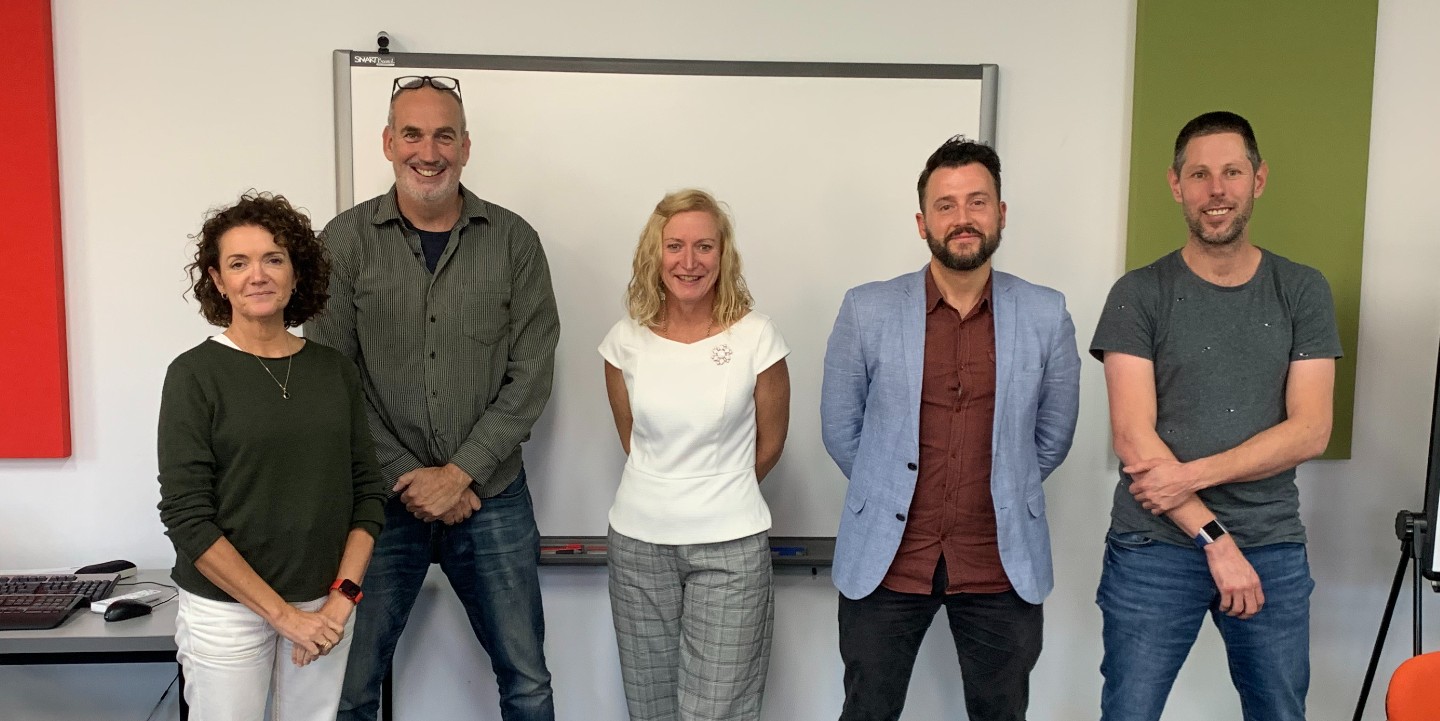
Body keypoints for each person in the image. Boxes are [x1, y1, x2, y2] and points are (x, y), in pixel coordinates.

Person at [308, 75, 561, 721]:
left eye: (444, 134)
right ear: (389, 143)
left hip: (492, 495)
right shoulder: (344, 242)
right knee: (350, 686)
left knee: (527, 682)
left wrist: (459, 473)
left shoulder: (514, 241)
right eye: (413, 134)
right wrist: (411, 478)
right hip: (380, 504)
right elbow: (335, 376)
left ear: (466, 145)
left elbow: (531, 373)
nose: (430, 150)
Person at [1089, 111, 1341, 721]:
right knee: (1129, 713)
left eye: (1231, 172)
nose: (1216, 189)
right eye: (1199, 175)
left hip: (1272, 545)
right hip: (1154, 546)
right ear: (1176, 185)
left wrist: (1192, 474)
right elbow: (1133, 438)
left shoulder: (1302, 289)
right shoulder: (1138, 293)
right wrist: (1216, 540)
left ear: (1258, 179)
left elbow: (1311, 430)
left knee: (1279, 713)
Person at [821, 137, 1081, 721]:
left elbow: (1053, 435)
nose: (962, 218)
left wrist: (1004, 481)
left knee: (1001, 714)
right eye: (946, 205)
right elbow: (842, 429)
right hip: (887, 565)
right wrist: (886, 482)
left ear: (1001, 214)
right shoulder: (867, 309)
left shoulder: (1046, 312)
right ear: (922, 222)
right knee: (867, 712)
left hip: (998, 562)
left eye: (977, 202)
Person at [157, 191, 387, 721]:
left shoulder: (334, 371)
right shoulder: (194, 375)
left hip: (325, 605)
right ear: (218, 281)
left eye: (273, 259)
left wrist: (340, 600)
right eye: (239, 263)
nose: (257, 275)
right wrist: (284, 616)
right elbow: (188, 517)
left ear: (295, 272)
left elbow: (367, 495)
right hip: (228, 612)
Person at [598, 189, 791, 721]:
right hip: (638, 548)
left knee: (718, 712)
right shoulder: (625, 342)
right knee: (651, 709)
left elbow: (770, 444)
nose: (689, 262)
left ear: (723, 255)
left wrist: (714, 491)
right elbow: (632, 438)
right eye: (675, 246)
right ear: (654, 255)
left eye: (704, 246)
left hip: (730, 550)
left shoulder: (758, 338)